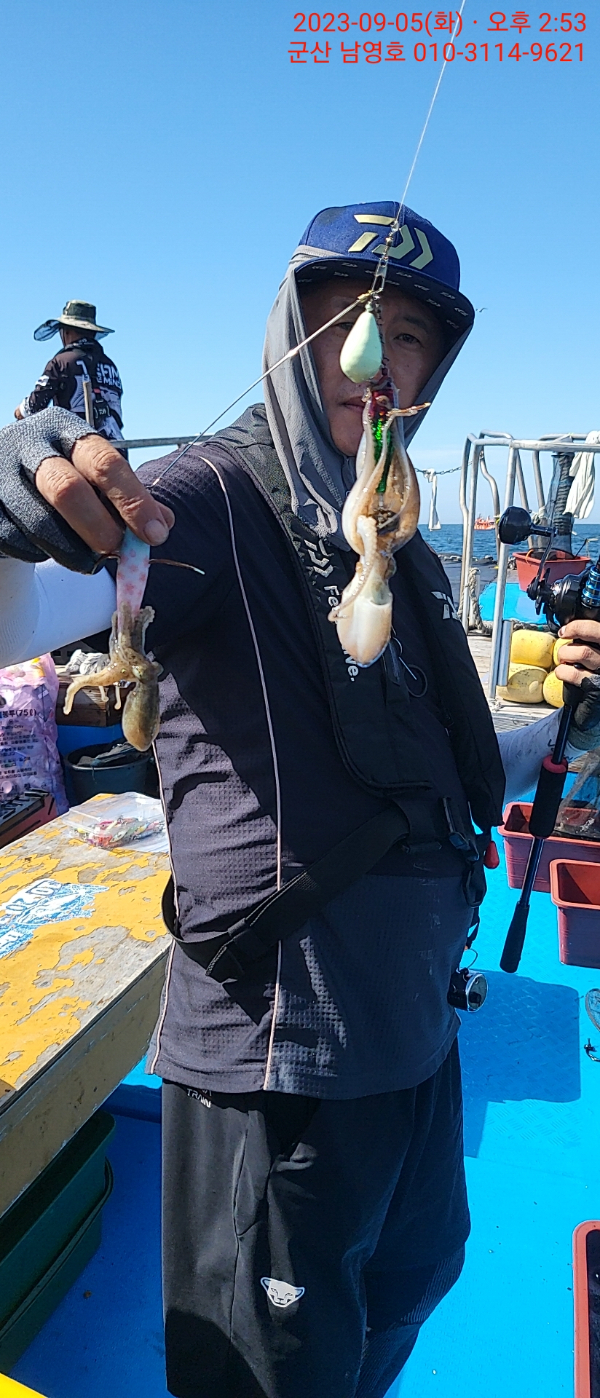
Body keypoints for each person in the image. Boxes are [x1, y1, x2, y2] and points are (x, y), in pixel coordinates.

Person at [1, 201, 600, 1398]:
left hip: (416, 1031)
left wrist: (566, 727)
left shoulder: (397, 536)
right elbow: (41, 608)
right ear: (288, 332)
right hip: (283, 1059)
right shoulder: (208, 497)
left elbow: (443, 765)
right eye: (342, 323)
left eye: (408, 339)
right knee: (268, 1366)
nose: (371, 362)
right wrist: (16, 515)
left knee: (413, 1280)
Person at [14, 299, 125, 446]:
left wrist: (20, 411)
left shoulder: (61, 362)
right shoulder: (111, 366)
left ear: (66, 331)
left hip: (78, 450)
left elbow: (34, 407)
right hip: (117, 446)